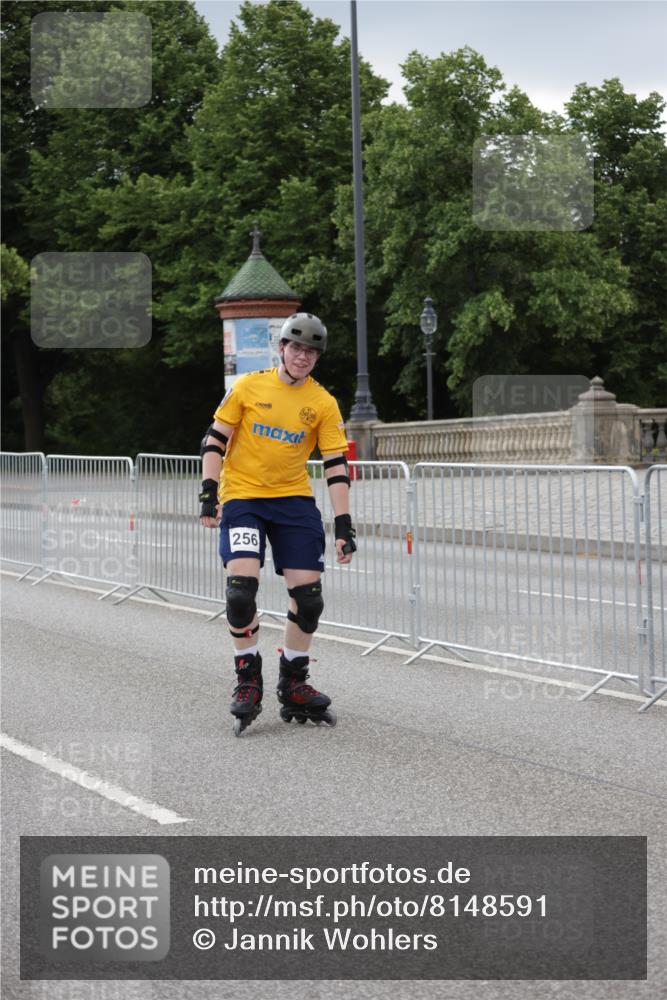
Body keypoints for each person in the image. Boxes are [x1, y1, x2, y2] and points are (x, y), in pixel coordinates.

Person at [199, 313, 357, 736]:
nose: (302, 356)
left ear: (317, 358)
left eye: (311, 352)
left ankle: (294, 682)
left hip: (293, 502)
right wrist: (209, 492)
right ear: (282, 348)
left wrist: (344, 525)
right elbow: (215, 440)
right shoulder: (248, 387)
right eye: (296, 347)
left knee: (309, 600)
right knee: (240, 593)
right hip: (244, 498)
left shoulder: (322, 402)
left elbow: (336, 465)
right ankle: (248, 677)